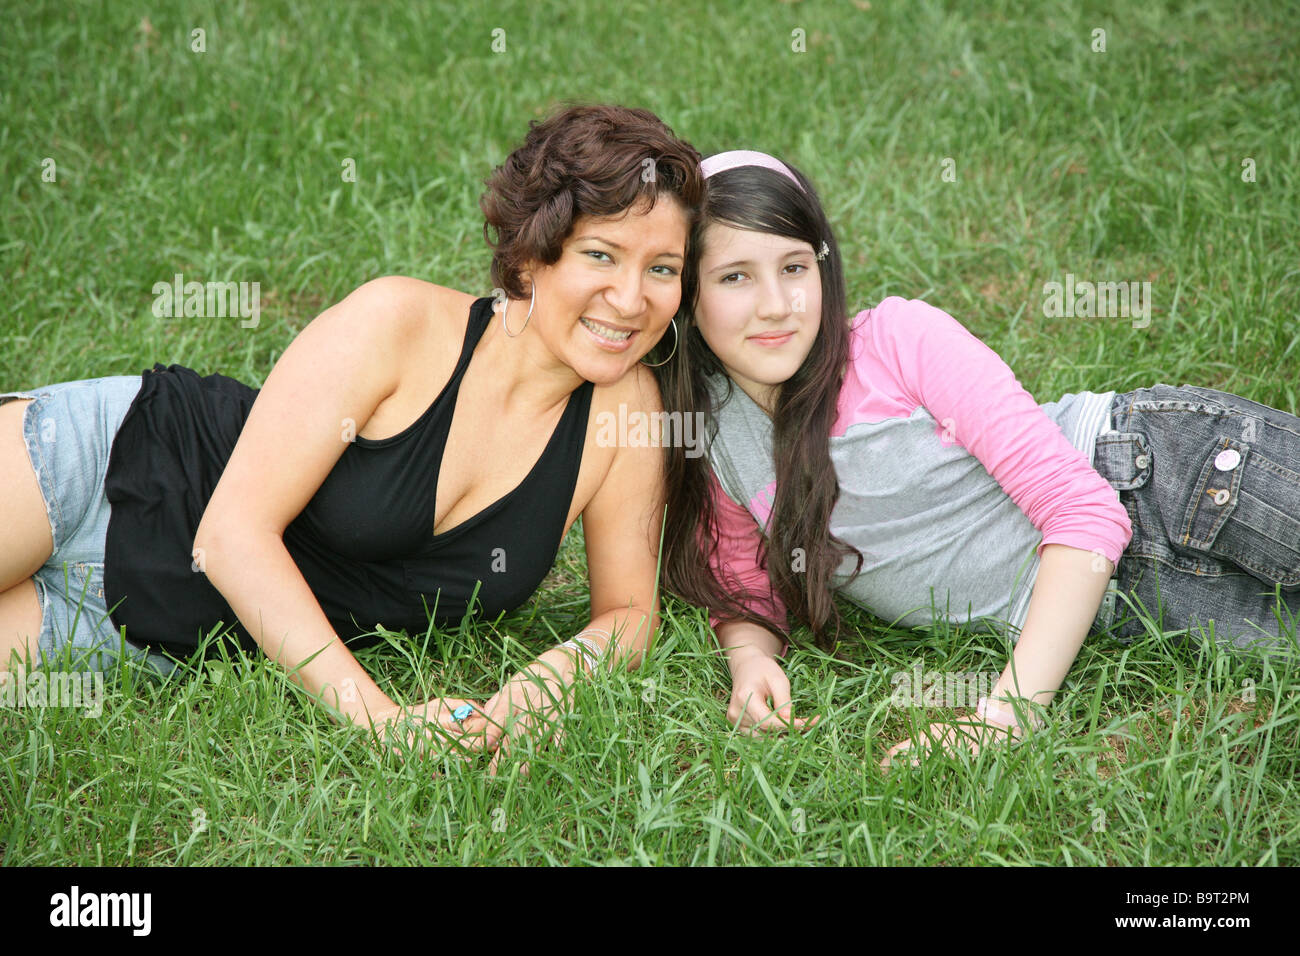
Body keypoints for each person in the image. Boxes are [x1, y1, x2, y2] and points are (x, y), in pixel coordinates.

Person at [0, 103, 704, 768]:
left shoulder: (625, 414)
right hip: (102, 466)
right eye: (601, 255)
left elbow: (627, 612)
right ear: (531, 254)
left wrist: (546, 684)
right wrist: (381, 720)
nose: (631, 299)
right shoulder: (396, 322)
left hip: (148, 630)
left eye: (662, 269)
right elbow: (232, 535)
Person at [655, 149, 1300, 767]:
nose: (776, 304)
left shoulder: (898, 342)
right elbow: (744, 577)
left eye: (795, 267)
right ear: (688, 294)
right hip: (1128, 599)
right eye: (735, 276)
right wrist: (751, 659)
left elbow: (1083, 510)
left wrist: (1007, 715)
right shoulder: (715, 434)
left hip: (1164, 473)